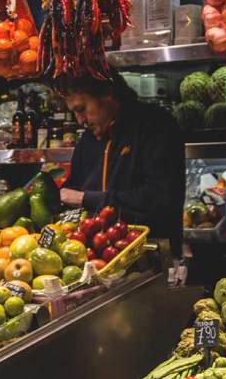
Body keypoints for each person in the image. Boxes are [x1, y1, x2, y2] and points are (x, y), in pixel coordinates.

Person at [59, 70, 186, 256]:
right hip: (97, 259)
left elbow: (159, 198)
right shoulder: (87, 140)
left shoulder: (156, 125)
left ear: (107, 94)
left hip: (149, 255)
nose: (80, 120)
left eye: (81, 109)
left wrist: (86, 199)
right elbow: (71, 192)